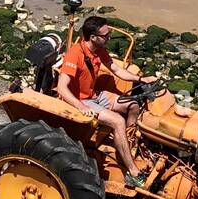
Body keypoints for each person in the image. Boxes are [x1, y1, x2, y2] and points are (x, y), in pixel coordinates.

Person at [56, 15, 157, 187]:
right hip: (81, 100)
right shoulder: (75, 54)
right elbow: (62, 88)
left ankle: (127, 144)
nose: (108, 38)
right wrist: (80, 106)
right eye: (105, 35)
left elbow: (116, 69)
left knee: (132, 104)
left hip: (94, 95)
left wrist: (141, 79)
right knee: (117, 121)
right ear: (93, 37)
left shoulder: (99, 50)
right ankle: (132, 172)